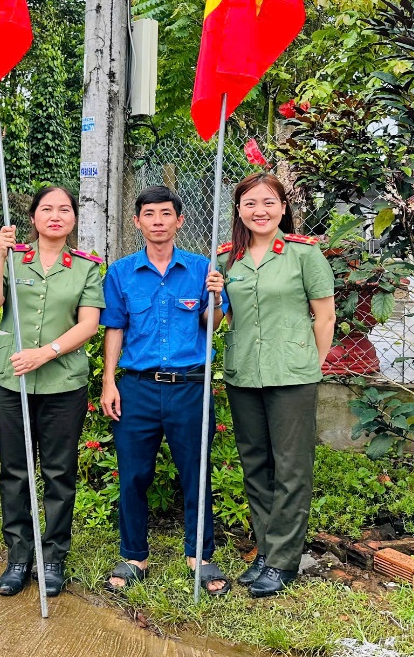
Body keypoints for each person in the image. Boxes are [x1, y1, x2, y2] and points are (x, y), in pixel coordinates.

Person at [98, 185, 230, 597]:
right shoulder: (121, 272)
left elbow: (211, 327)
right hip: (137, 388)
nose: (158, 221)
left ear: (180, 220)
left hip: (189, 387)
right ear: (137, 222)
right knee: (134, 474)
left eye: (166, 214)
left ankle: (199, 556)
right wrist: (108, 381)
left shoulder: (201, 268)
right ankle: (135, 554)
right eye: (149, 214)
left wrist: (215, 298)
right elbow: (115, 328)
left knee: (196, 472)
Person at [210, 173, 336, 598]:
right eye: (249, 203)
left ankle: (283, 561)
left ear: (283, 207)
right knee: (255, 465)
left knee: (291, 468)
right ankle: (267, 549)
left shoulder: (303, 255)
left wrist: (310, 364)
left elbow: (325, 317)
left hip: (293, 376)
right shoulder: (227, 260)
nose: (259, 211)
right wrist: (212, 297)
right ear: (239, 211)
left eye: (267, 202)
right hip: (245, 373)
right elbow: (218, 321)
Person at [0, 186, 104, 599]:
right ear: (32, 218)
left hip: (63, 381)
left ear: (73, 218)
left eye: (63, 209)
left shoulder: (86, 267)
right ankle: (18, 556)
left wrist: (45, 353)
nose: (55, 215)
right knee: (15, 470)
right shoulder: (13, 258)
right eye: (46, 209)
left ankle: (53, 558)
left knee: (58, 472)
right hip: (10, 380)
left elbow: (88, 325)